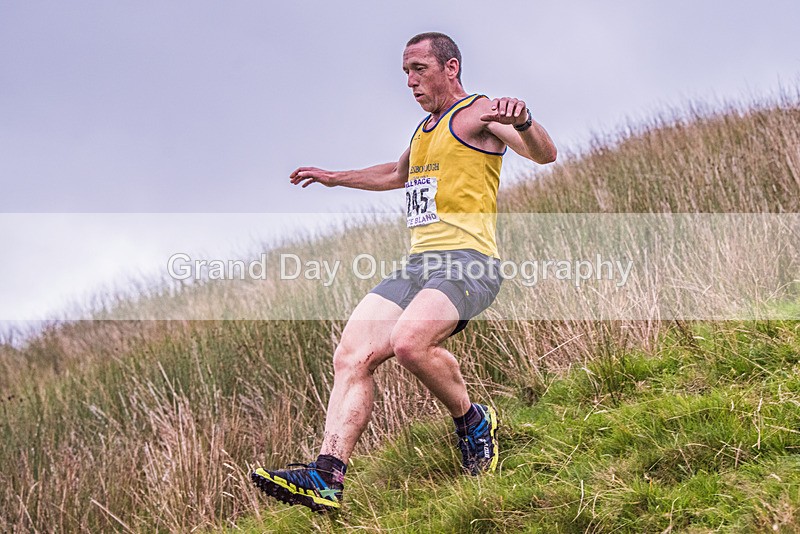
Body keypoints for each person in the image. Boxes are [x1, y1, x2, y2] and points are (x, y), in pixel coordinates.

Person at [251, 31, 557, 513]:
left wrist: (527, 120)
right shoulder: (424, 130)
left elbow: (543, 154)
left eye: (419, 69)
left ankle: (473, 421)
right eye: (405, 73)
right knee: (351, 355)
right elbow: (396, 175)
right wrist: (335, 177)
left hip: (469, 262)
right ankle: (327, 475)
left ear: (450, 68)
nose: (410, 82)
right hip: (419, 266)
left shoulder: (479, 113)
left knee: (411, 343)